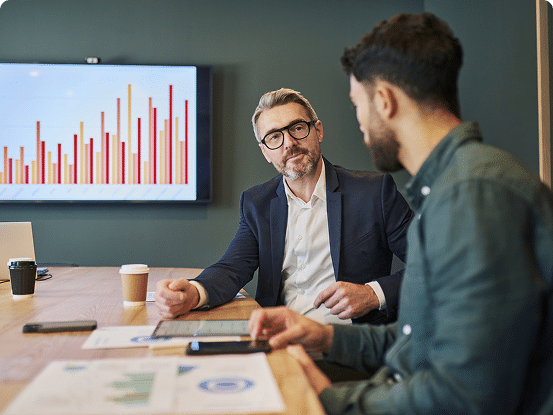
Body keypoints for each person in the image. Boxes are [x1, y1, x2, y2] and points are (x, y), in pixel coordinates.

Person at [248, 12, 553, 415]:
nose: (359, 122)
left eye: (357, 105)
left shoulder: (472, 193)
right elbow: (419, 339)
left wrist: (328, 403)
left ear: (385, 101)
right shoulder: (450, 185)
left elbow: (465, 394)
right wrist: (324, 336)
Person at [155, 88, 413, 326]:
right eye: (274, 137)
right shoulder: (257, 203)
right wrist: (194, 293)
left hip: (350, 344)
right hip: (279, 340)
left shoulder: (374, 193)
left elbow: (432, 264)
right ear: (266, 152)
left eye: (297, 128)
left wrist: (371, 293)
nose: (288, 143)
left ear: (318, 131)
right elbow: (232, 268)